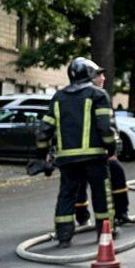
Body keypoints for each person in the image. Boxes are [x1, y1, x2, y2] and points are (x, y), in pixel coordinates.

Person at [37, 57, 116, 247]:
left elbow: (43, 132)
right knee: (101, 195)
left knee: (66, 196)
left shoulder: (58, 98)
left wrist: (42, 157)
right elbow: (105, 128)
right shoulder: (98, 95)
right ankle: (105, 233)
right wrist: (111, 148)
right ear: (89, 74)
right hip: (95, 157)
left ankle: (64, 236)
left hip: (67, 160)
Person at [75, 68, 135, 228]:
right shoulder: (87, 97)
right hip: (90, 151)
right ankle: (82, 217)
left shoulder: (101, 95)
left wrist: (113, 150)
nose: (103, 77)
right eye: (99, 75)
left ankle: (121, 213)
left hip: (104, 152)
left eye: (103, 74)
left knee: (117, 174)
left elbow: (111, 126)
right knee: (80, 184)